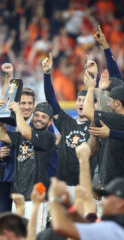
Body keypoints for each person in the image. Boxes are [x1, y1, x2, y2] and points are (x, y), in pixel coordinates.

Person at [0, 101, 55, 229]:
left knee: (35, 235)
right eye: (37, 115)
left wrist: (18, 111)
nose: (39, 119)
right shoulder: (20, 136)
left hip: (37, 197)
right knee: (18, 233)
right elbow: (0, 135)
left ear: (50, 122)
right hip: (19, 196)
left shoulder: (49, 137)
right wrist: (0, 116)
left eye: (44, 117)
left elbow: (26, 133)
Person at [83, 62, 124, 186]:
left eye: (110, 100)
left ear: (118, 103)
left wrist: (91, 87)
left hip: (117, 186)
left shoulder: (118, 120)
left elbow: (87, 111)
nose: (108, 104)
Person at [42, 53, 91, 188]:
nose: (81, 103)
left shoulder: (95, 126)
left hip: (85, 185)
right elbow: (51, 100)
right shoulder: (67, 122)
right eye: (79, 100)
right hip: (63, 184)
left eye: (85, 101)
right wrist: (47, 75)